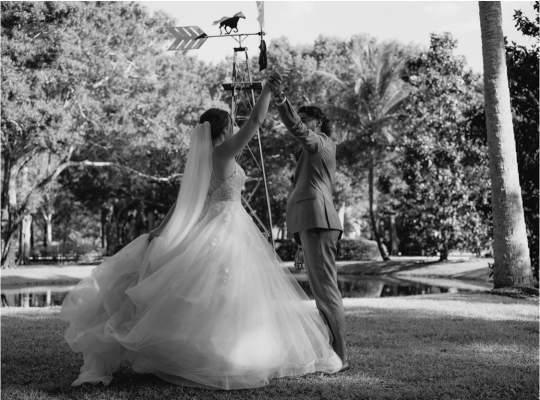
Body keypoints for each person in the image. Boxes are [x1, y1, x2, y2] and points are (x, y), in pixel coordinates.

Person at [59, 75, 342, 390]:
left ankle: (219, 349)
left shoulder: (205, 159)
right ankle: (225, 354)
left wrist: (160, 230)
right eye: (232, 125)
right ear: (223, 130)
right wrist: (266, 91)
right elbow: (255, 122)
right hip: (228, 227)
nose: (235, 128)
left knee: (215, 292)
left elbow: (181, 202)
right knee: (227, 291)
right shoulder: (223, 153)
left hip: (215, 225)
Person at [269, 71, 349, 371]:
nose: (301, 123)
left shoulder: (321, 142)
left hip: (319, 221)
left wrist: (280, 98)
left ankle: (341, 357)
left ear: (317, 123)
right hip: (311, 225)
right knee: (321, 291)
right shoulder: (311, 151)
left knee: (326, 291)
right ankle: (331, 352)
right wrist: (301, 245)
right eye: (300, 118)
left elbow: (297, 128)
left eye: (305, 120)